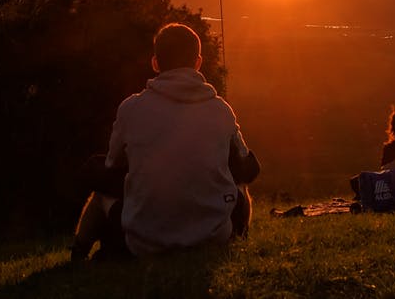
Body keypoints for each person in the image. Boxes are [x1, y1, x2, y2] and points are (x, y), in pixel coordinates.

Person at [72, 23, 259, 259]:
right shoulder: (221, 110)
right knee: (240, 182)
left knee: (101, 191)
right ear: (198, 62)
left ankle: (78, 252)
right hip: (212, 237)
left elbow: (112, 165)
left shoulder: (131, 109)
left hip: (143, 242)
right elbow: (246, 166)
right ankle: (241, 239)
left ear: (156, 63)